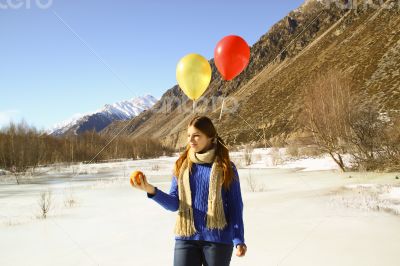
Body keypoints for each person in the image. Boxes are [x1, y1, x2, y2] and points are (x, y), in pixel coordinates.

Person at [131, 115, 247, 266]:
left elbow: (235, 206)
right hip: (186, 238)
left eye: (197, 136)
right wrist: (150, 189)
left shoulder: (226, 167)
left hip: (218, 240)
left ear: (211, 137)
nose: (191, 140)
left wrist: (238, 239)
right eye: (189, 136)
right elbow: (174, 204)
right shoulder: (182, 166)